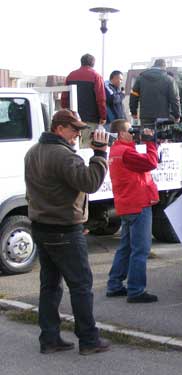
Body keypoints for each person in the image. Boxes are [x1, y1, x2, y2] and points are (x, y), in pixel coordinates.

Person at [24, 109, 110, 355]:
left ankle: (49, 339)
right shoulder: (64, 156)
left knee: (49, 286)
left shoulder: (33, 153)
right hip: (64, 229)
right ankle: (89, 339)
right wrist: (100, 155)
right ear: (59, 129)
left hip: (41, 226)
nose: (77, 135)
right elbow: (90, 183)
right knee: (81, 285)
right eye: (74, 130)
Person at [105, 119, 159, 303]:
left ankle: (114, 285)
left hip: (126, 203)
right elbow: (152, 162)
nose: (134, 133)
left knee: (126, 248)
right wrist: (150, 143)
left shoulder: (115, 150)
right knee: (140, 250)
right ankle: (136, 290)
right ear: (121, 134)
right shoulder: (126, 152)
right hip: (138, 204)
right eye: (131, 130)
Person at [61, 53, 106, 148]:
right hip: (90, 118)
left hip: (73, 118)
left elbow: (64, 97)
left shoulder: (71, 75)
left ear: (81, 62)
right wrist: (103, 116)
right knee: (86, 145)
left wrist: (66, 114)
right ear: (93, 63)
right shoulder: (96, 76)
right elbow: (101, 98)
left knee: (72, 144)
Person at [129, 58, 180, 129]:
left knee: (146, 137)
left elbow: (133, 96)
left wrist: (133, 111)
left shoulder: (140, 78)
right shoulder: (169, 80)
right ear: (164, 66)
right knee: (161, 137)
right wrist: (177, 115)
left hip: (145, 116)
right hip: (163, 116)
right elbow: (174, 99)